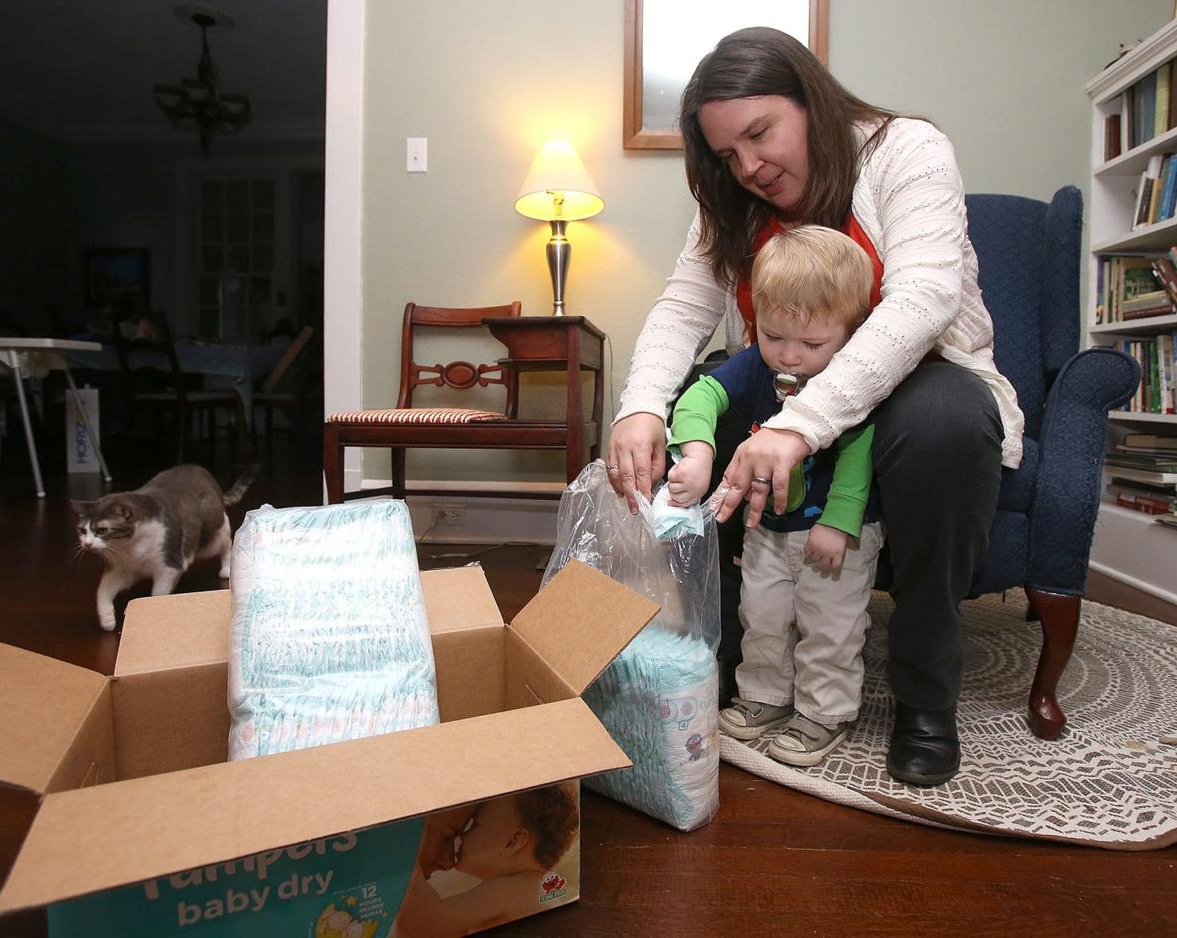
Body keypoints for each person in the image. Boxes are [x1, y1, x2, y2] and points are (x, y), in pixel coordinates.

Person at [606, 27, 1023, 787]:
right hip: (783, 387)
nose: (750, 167)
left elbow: (924, 299)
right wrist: (641, 409)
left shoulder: (905, 150)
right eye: (728, 155)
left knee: (943, 425)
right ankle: (736, 667)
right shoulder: (732, 202)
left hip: (912, 384)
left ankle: (926, 695)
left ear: (813, 99)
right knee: (697, 409)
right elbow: (683, 308)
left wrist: (800, 425)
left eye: (760, 135)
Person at [666, 225, 883, 766]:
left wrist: (840, 521)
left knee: (829, 623)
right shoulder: (758, 363)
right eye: (774, 337)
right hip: (768, 529)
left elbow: (859, 452)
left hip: (836, 531)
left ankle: (824, 712)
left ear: (852, 333)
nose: (789, 357)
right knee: (760, 615)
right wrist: (696, 453)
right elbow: (700, 397)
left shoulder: (853, 373)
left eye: (812, 344)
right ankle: (764, 696)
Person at [390, 786, 579, 936]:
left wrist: (406, 861)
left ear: (512, 842)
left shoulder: (516, 889)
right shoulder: (535, 885)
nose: (463, 835)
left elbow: (425, 923)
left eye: (475, 825)